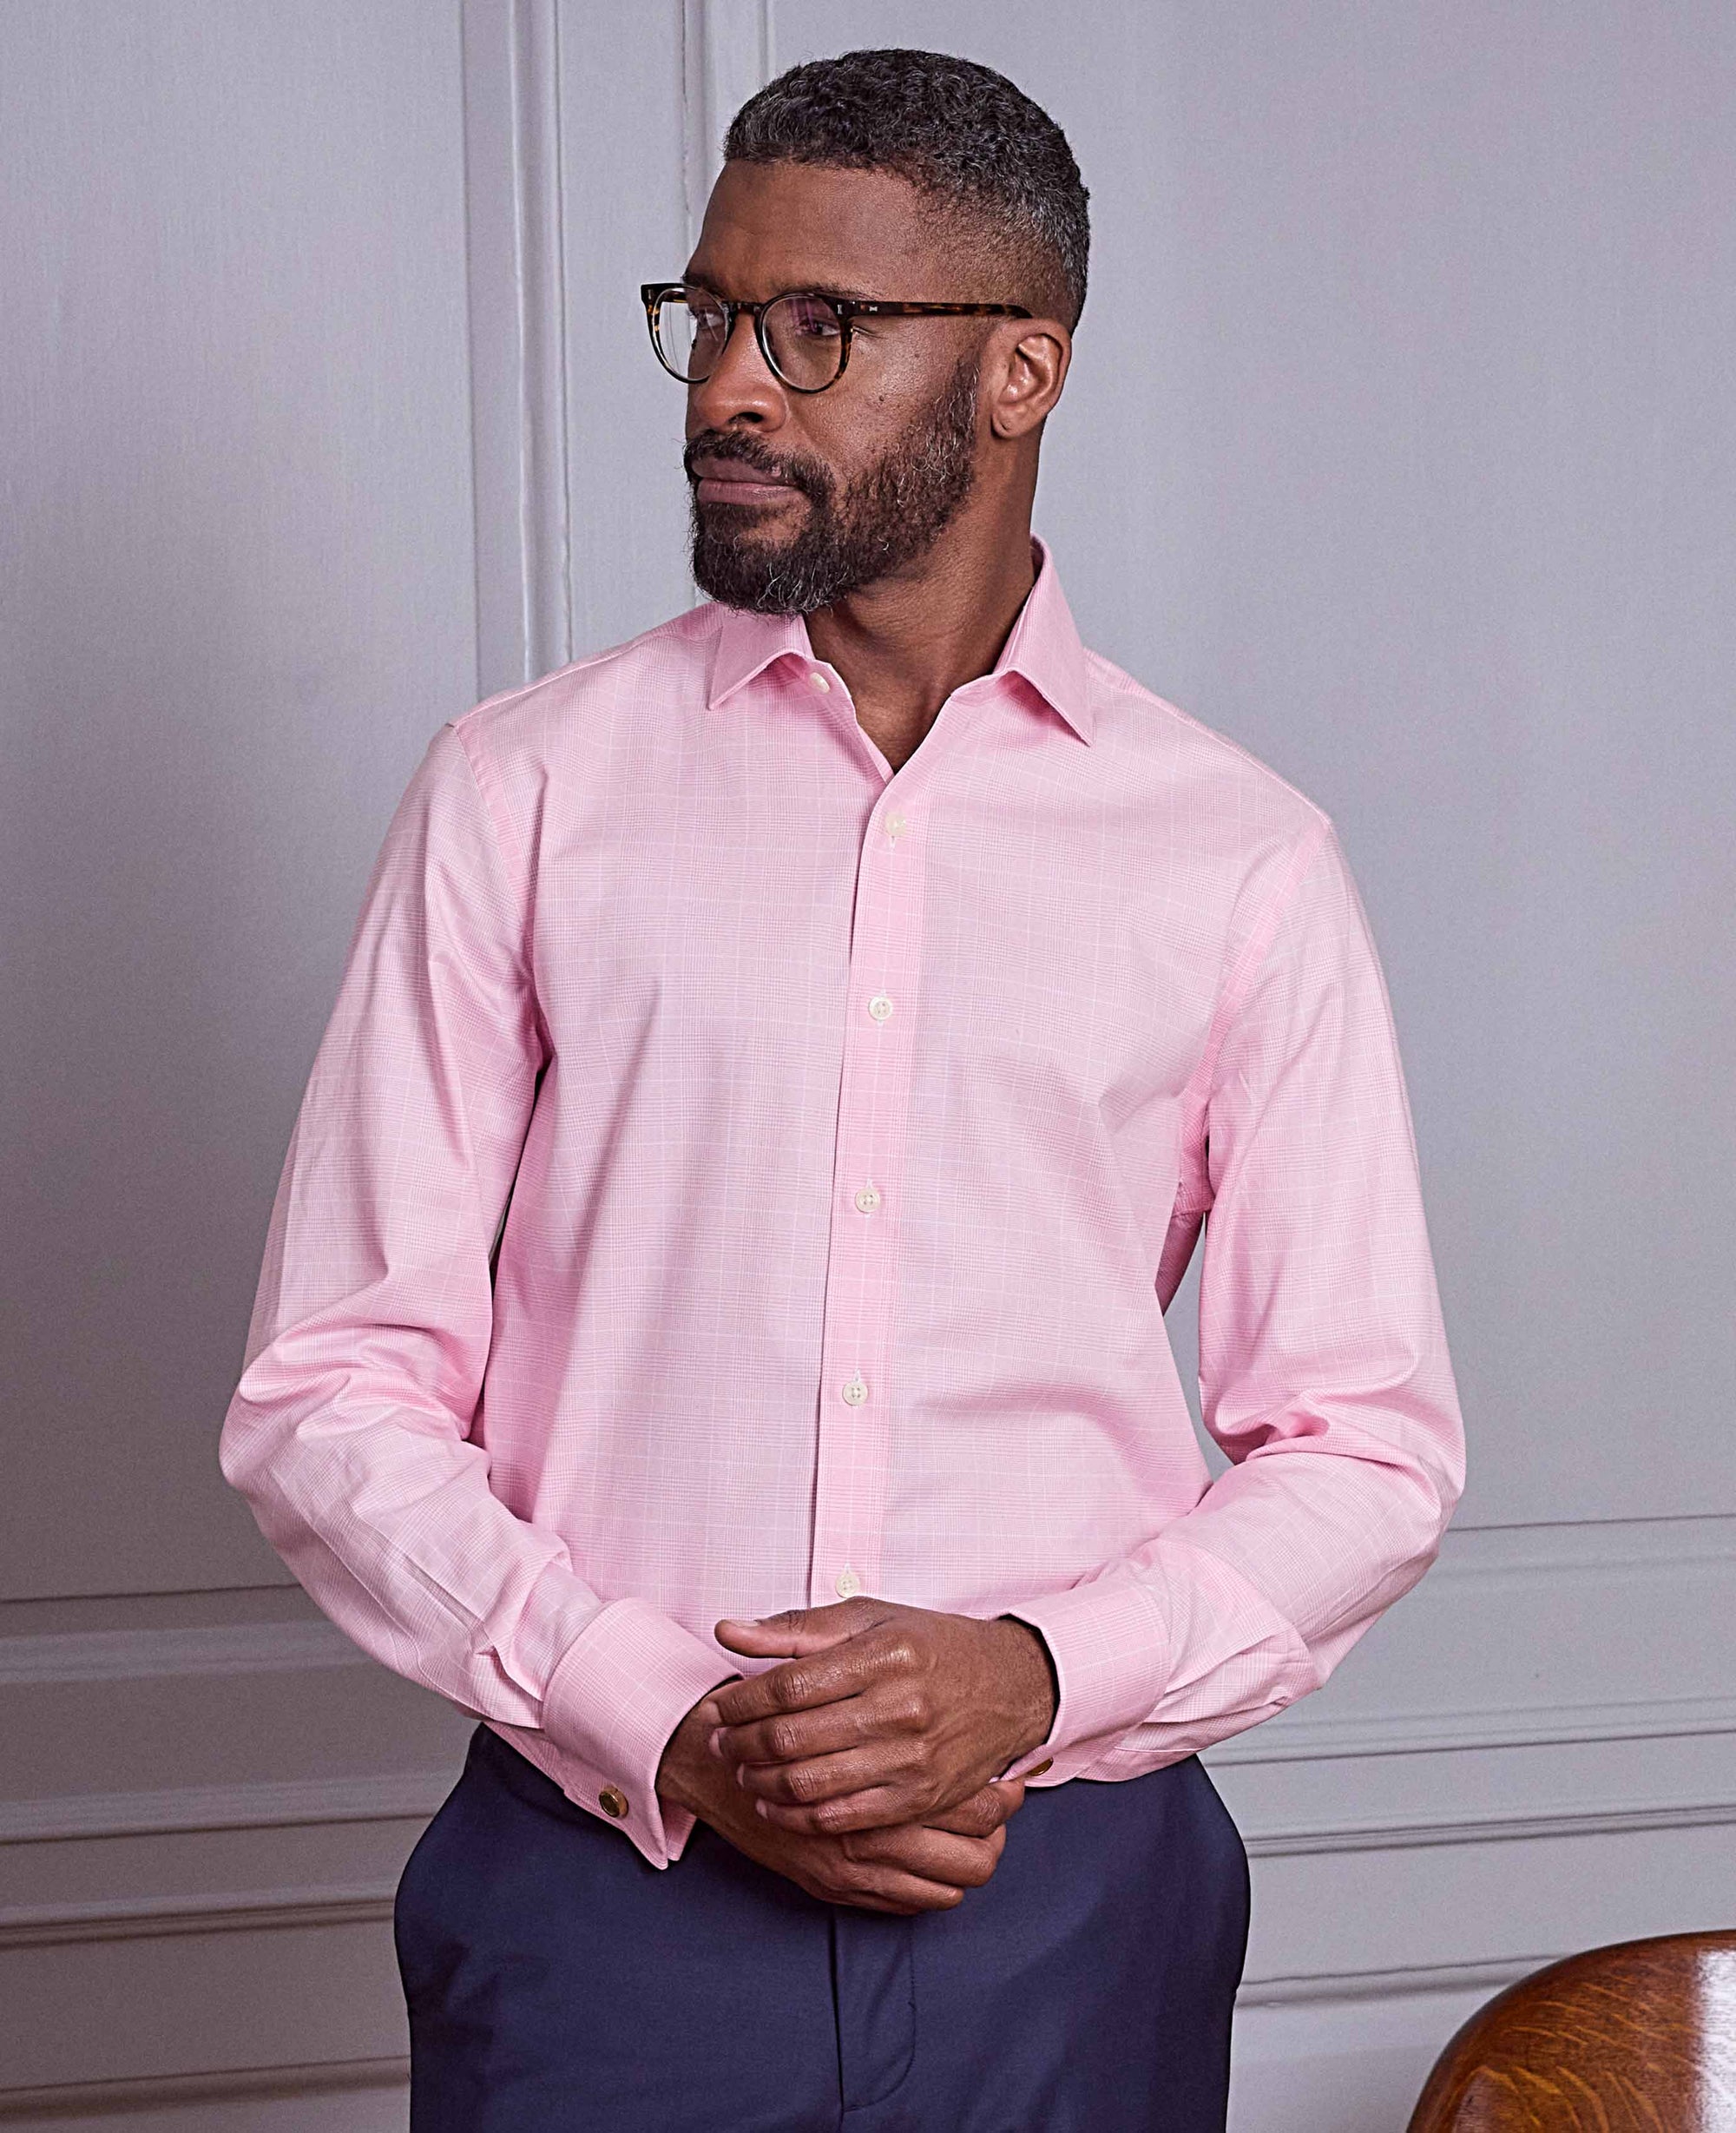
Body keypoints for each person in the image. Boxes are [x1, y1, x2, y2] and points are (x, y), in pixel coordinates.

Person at [220, 45, 1464, 2133]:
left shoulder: (1238, 859)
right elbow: (330, 1387)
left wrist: (1035, 1671)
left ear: (1018, 369)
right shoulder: (522, 795)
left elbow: (1367, 1443)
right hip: (604, 1894)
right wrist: (666, 1713)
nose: (727, 387)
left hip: (1068, 1906)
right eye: (707, 314)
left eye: (815, 328)